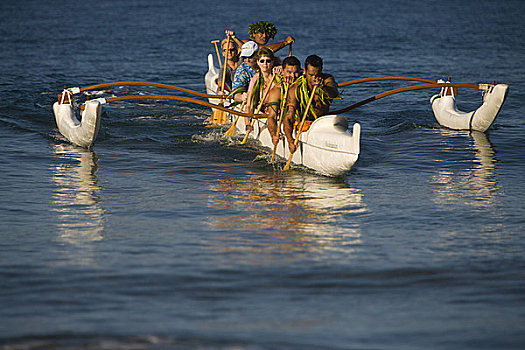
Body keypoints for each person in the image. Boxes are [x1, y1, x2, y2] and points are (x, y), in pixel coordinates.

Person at [283, 55, 339, 154]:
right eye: (311, 74)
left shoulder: (327, 80)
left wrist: (323, 88)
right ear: (304, 71)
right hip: (304, 125)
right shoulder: (296, 88)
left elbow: (334, 93)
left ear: (321, 70)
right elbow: (288, 117)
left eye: (317, 75)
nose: (314, 78)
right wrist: (290, 141)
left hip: (322, 124)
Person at [266, 56, 302, 146]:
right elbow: (272, 117)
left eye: (296, 72)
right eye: (289, 72)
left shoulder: (303, 85)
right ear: (282, 71)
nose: (293, 76)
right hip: (287, 120)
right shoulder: (276, 90)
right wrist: (274, 135)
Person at [244, 47, 281, 132]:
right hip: (263, 113)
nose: (265, 64)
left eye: (268, 61)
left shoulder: (278, 75)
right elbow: (249, 105)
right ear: (257, 62)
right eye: (262, 61)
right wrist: (247, 123)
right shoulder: (255, 80)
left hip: (277, 112)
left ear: (272, 62)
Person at [225, 21, 294, 54]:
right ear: (254, 34)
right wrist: (285, 43)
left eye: (267, 34)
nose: (264, 36)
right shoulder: (247, 43)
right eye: (261, 33)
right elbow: (265, 50)